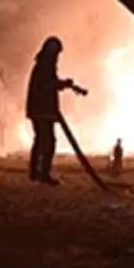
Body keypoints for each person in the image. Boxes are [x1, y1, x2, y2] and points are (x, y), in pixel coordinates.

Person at [25, 36, 86, 185]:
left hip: (39, 109)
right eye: (57, 53)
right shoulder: (45, 65)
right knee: (48, 141)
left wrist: (67, 85)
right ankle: (43, 173)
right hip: (42, 109)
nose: (58, 56)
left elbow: (49, 84)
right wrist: (64, 84)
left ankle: (35, 173)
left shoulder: (42, 64)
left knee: (40, 140)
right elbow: (47, 85)